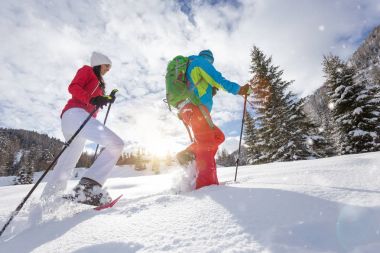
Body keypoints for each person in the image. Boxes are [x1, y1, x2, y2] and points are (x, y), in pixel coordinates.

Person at [41, 52, 124, 206]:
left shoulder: (99, 84)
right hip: (75, 114)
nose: (108, 70)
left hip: (76, 119)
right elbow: (74, 87)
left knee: (67, 162)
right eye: (107, 66)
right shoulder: (87, 70)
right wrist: (93, 98)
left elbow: (94, 100)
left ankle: (48, 202)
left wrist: (106, 98)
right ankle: (89, 188)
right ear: (99, 63)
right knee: (116, 144)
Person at [176, 49, 251, 189]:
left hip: (192, 110)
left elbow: (196, 86)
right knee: (207, 144)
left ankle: (188, 153)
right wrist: (240, 90)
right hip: (197, 109)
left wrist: (209, 90)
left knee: (218, 136)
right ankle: (207, 187)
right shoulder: (200, 62)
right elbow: (219, 80)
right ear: (209, 59)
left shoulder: (191, 66)